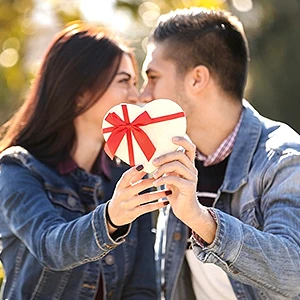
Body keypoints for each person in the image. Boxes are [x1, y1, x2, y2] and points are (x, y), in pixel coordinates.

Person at [0, 22, 197, 299]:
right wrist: (112, 217)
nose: (136, 96)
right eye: (123, 82)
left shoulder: (128, 175)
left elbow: (142, 288)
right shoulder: (17, 169)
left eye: (135, 83)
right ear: (80, 93)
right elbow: (51, 247)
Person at [141, 7, 300, 300]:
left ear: (197, 79)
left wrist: (201, 220)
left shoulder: (284, 159)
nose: (143, 94)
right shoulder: (171, 159)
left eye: (152, 77)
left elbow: (294, 273)